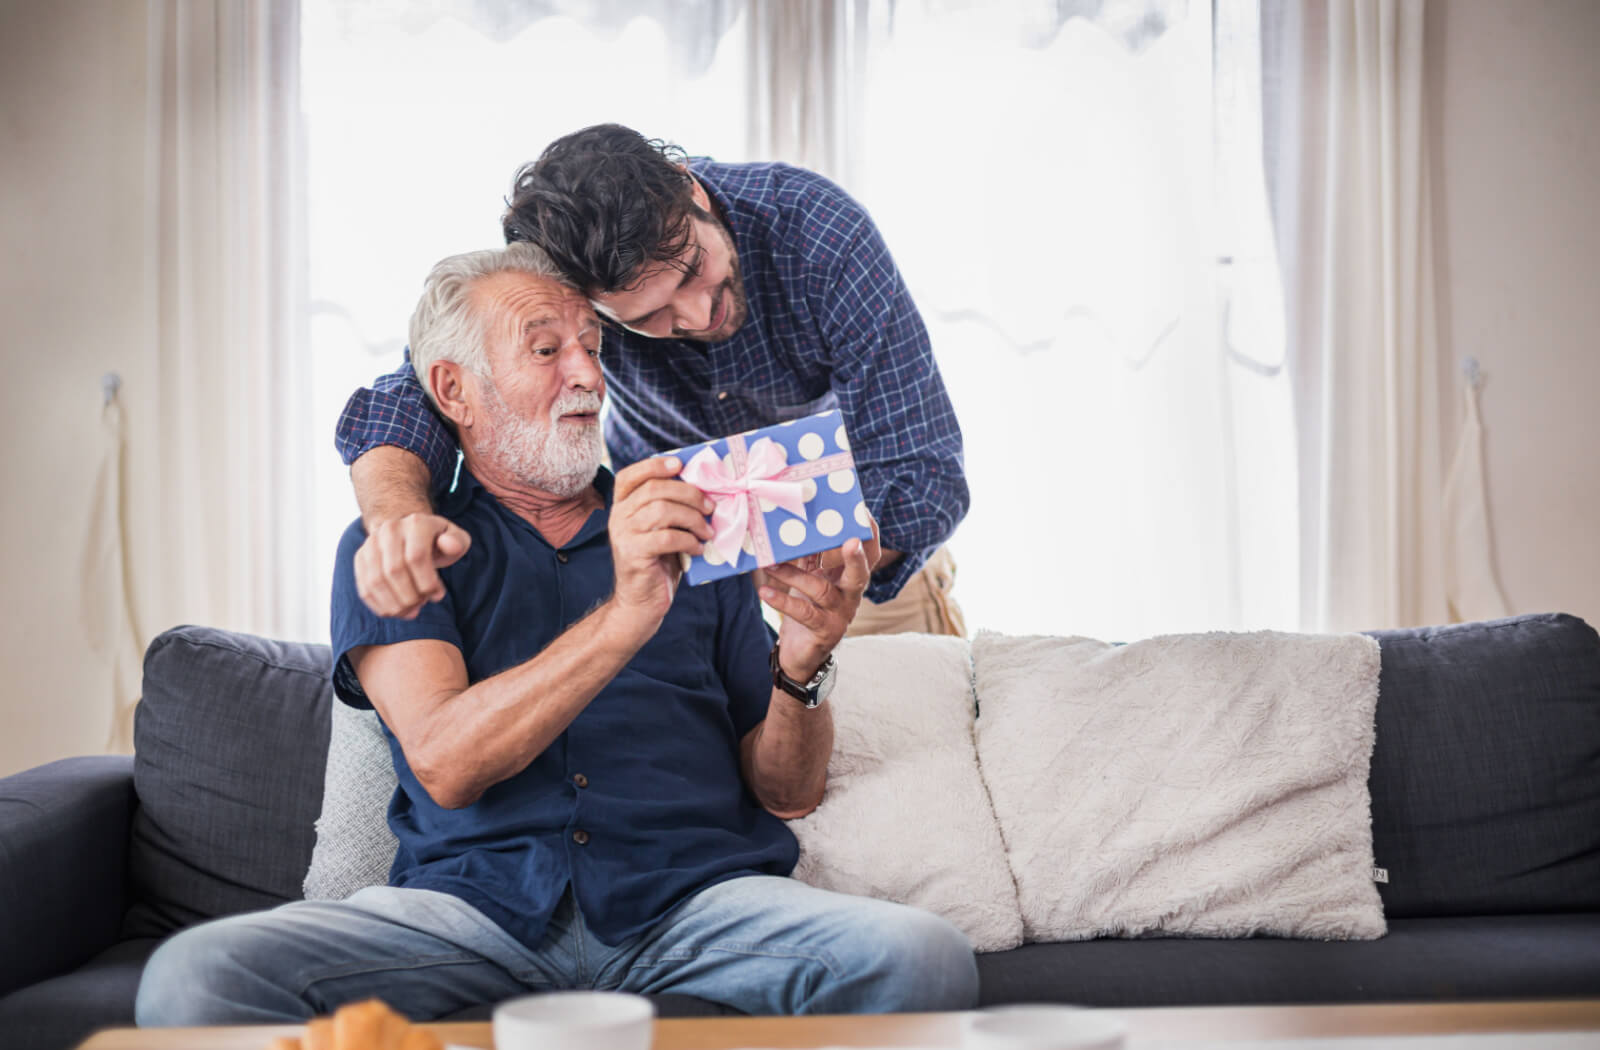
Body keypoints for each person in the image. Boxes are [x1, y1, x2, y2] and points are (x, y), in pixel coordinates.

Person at [135, 244, 978, 1024]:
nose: (586, 376)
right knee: (194, 980)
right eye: (546, 350)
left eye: (592, 348)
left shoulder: (693, 530)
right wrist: (625, 616)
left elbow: (787, 793)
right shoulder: (396, 548)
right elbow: (446, 762)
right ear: (454, 391)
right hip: (467, 913)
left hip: (690, 903)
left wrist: (803, 660)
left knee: (922, 958)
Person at [337, 124, 968, 637]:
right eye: (649, 316)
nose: (697, 316)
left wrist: (755, 544)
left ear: (690, 189)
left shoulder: (818, 232)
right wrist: (395, 519)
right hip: (672, 573)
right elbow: (414, 391)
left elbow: (925, 476)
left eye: (694, 267)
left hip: (853, 550)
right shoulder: (565, 277)